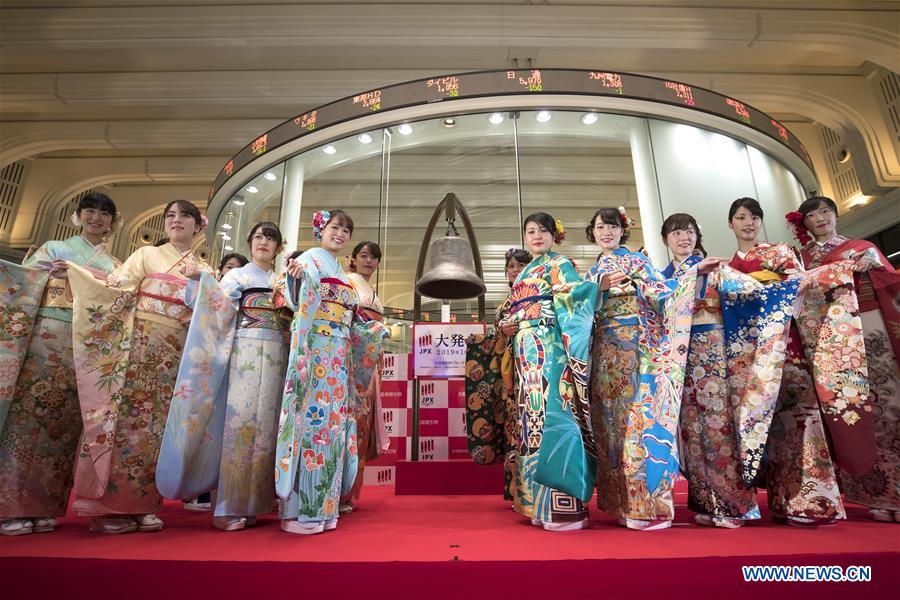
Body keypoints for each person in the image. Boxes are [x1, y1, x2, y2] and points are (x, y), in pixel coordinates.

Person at [67, 199, 213, 534]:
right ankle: (111, 506)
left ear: (197, 225)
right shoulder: (147, 255)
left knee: (159, 428)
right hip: (141, 345)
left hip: (177, 354)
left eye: (184, 216)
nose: (176, 221)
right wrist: (77, 274)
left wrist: (203, 284)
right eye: (170, 216)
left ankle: (145, 503)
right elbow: (113, 288)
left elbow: (214, 312)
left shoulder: (203, 267)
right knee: (127, 423)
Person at [586, 207, 721, 531]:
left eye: (613, 226)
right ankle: (622, 501)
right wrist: (594, 289)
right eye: (601, 227)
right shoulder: (592, 271)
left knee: (639, 422)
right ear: (593, 233)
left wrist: (691, 276)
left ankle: (648, 505)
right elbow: (579, 308)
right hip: (605, 354)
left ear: (623, 231)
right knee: (611, 427)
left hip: (637, 348)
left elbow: (663, 293)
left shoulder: (638, 261)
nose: (607, 232)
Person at [726, 196, 854, 526]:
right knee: (767, 427)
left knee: (801, 418)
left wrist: (765, 288)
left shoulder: (779, 253)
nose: (748, 223)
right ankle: (782, 501)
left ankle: (814, 502)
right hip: (750, 355)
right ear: (731, 224)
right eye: (741, 217)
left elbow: (802, 284)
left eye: (754, 217)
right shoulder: (727, 267)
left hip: (785, 345)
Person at [0, 192, 121, 536]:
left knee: (66, 422)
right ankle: (9, 506)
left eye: (103, 214)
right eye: (90, 212)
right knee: (28, 417)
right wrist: (50, 275)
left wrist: (82, 276)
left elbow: (118, 296)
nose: (96, 218)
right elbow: (24, 283)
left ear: (112, 222)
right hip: (47, 335)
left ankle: (47, 505)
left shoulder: (115, 265)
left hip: (85, 345)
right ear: (78, 215)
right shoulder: (54, 248)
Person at [156, 222, 291, 531]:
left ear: (278, 248)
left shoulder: (279, 281)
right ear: (249, 241)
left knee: (267, 429)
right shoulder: (238, 276)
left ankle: (257, 503)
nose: (264, 243)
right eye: (258, 237)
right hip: (245, 352)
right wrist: (203, 280)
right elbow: (216, 307)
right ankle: (228, 506)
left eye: (271, 239)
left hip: (276, 357)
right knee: (239, 426)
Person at [276, 210, 388, 535]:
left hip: (338, 356)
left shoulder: (339, 270)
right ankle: (298, 511)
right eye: (334, 227)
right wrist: (295, 277)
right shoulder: (309, 260)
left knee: (334, 427)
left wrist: (371, 331)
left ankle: (324, 506)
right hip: (315, 351)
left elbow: (351, 318)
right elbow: (297, 300)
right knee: (312, 422)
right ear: (319, 230)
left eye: (345, 230)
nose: (340, 233)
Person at [791, 196, 900, 522]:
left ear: (835, 215)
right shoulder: (803, 259)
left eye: (825, 211)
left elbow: (892, 282)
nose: (821, 218)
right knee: (849, 411)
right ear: (805, 224)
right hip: (831, 341)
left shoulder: (863, 247)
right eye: (812, 215)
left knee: (889, 406)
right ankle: (873, 494)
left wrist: (875, 267)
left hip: (870, 326)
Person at [497, 213, 598, 531]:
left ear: (555, 235)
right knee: (532, 422)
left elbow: (576, 297)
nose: (537, 236)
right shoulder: (525, 270)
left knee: (557, 413)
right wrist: (506, 325)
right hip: (527, 355)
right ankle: (536, 503)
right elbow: (510, 310)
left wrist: (595, 288)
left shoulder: (560, 264)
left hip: (552, 348)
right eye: (531, 231)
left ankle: (563, 506)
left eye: (543, 230)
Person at [659, 213, 759, 528]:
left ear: (696, 236)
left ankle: (733, 504)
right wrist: (689, 277)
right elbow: (657, 305)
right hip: (680, 358)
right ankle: (706, 501)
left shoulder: (716, 269)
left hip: (714, 352)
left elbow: (753, 292)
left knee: (720, 425)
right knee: (690, 428)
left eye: (688, 232)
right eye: (676, 233)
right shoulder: (662, 277)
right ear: (666, 240)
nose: (683, 238)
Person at [465, 248, 532, 501]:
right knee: (514, 428)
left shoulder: (539, 297)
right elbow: (496, 340)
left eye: (521, 265)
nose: (515, 270)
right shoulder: (506, 303)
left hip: (536, 367)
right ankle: (516, 489)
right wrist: (499, 331)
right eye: (511, 266)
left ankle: (538, 487)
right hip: (511, 375)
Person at [339, 241, 390, 514]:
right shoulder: (347, 283)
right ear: (353, 259)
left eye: (374, 258)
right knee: (351, 424)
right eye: (364, 256)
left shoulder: (370, 290)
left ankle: (349, 492)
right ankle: (340, 491)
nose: (369, 261)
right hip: (353, 361)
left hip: (369, 363)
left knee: (362, 426)